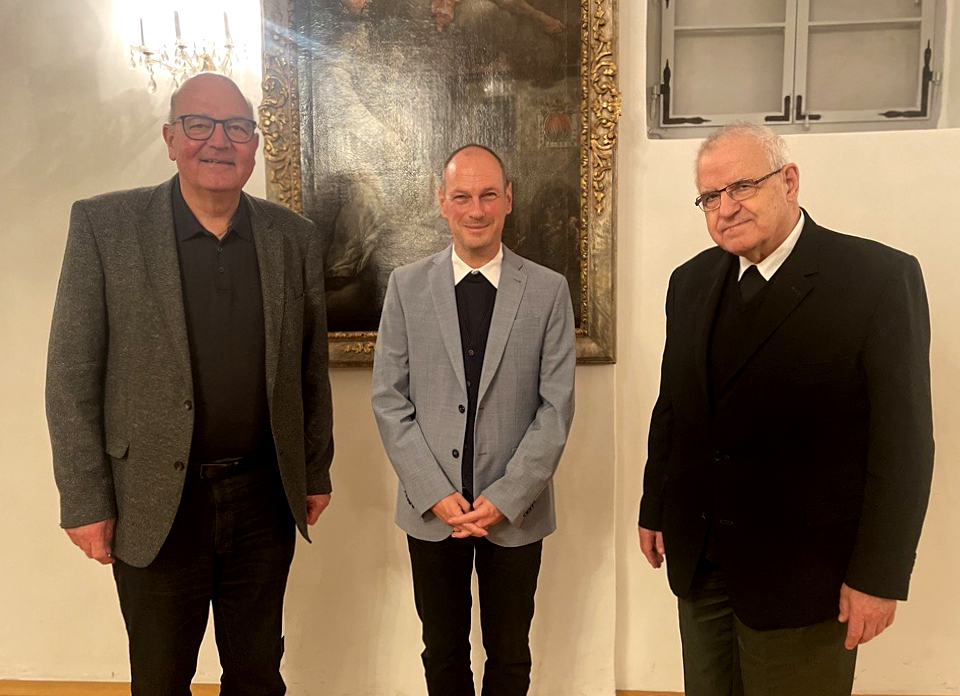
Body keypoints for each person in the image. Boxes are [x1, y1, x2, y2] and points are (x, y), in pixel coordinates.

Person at [46, 73, 334, 696]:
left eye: (237, 127)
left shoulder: (293, 237)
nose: (219, 141)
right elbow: (71, 375)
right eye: (200, 125)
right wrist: (85, 500)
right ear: (171, 138)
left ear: (254, 144)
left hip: (262, 497)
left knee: (257, 675)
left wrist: (314, 470)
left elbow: (310, 367)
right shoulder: (106, 226)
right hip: (153, 500)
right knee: (160, 678)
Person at [637, 122, 934, 696]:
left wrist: (879, 575)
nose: (726, 208)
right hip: (702, 559)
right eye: (710, 196)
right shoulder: (690, 282)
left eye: (742, 186)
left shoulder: (877, 278)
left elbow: (904, 445)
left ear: (789, 181)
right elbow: (673, 406)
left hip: (808, 573)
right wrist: (655, 505)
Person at [371, 144, 576, 695]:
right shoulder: (406, 286)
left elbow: (555, 408)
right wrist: (433, 492)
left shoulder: (548, 290)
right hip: (432, 511)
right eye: (462, 196)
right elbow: (389, 400)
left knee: (509, 655)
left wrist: (507, 497)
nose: (476, 209)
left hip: (516, 513)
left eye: (488, 195)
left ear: (508, 199)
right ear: (442, 201)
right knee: (442, 653)